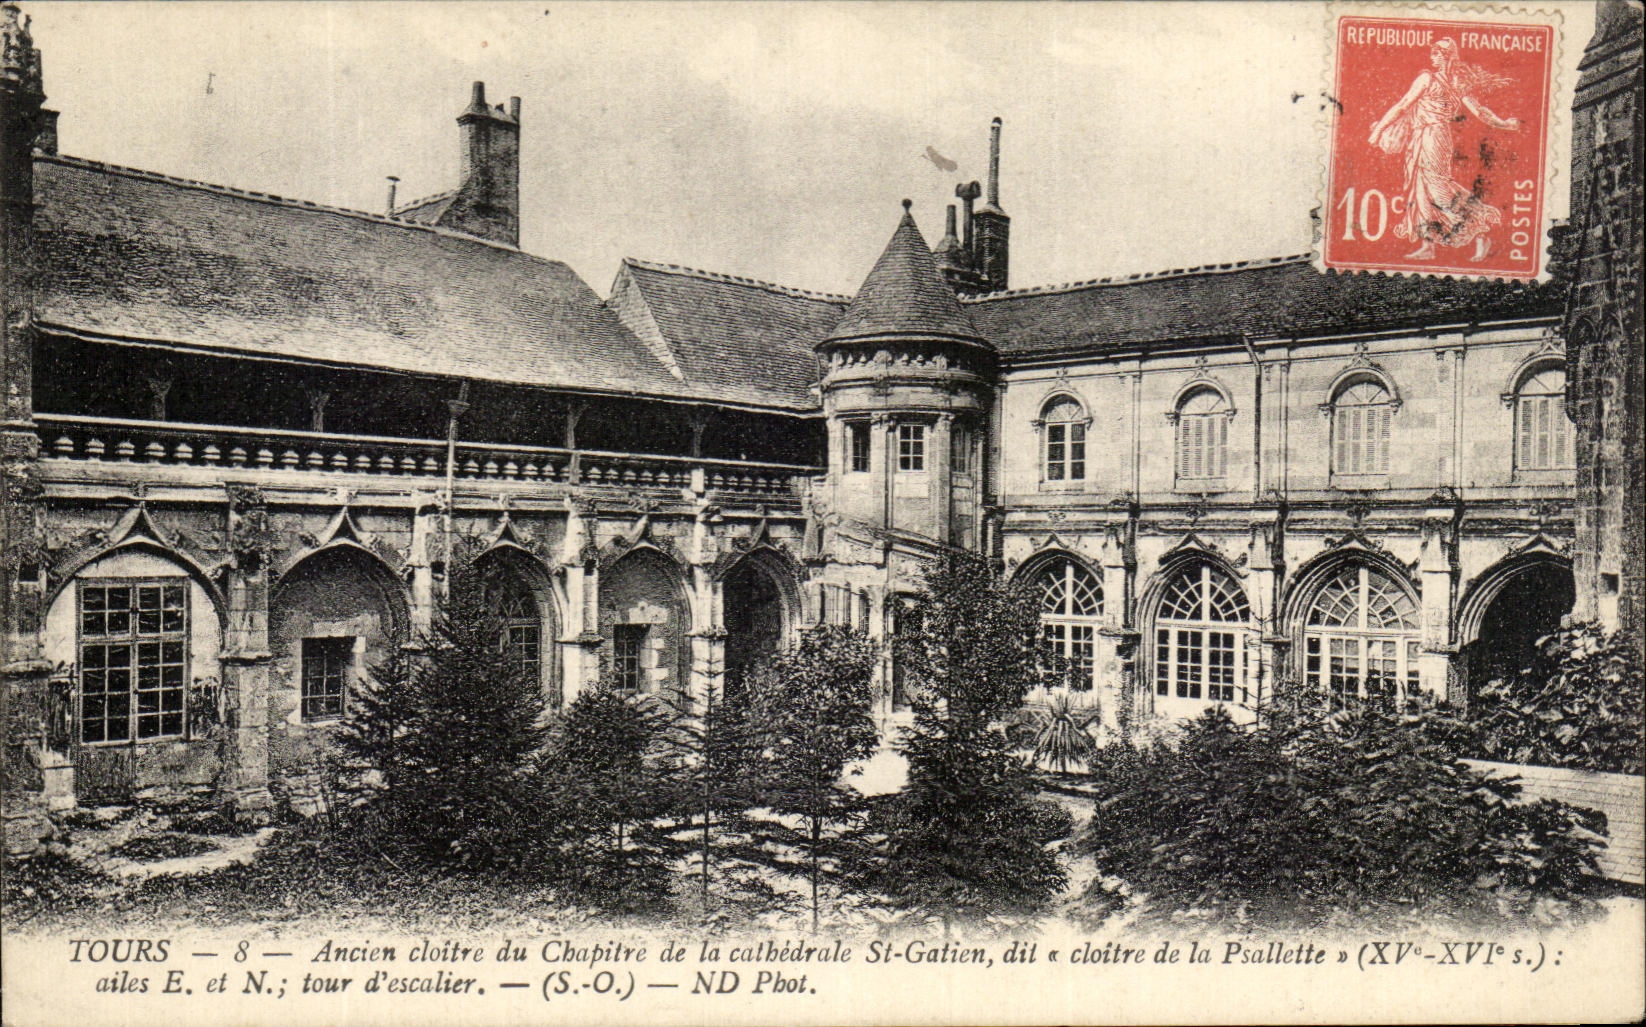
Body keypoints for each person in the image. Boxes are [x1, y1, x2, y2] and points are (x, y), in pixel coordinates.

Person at [1366, 37, 1522, 261]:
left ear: (1447, 56)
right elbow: (1403, 105)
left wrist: (1504, 123)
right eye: (1432, 54)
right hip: (1421, 138)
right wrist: (1379, 130)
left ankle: (1480, 231)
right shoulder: (1434, 79)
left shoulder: (1440, 81)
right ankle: (1428, 245)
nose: (1432, 58)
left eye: (1436, 54)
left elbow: (1479, 111)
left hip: (1434, 137)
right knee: (1420, 190)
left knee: (1439, 189)